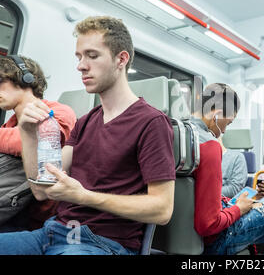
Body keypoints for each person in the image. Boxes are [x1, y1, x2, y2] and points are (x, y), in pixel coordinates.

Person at [0, 16, 176, 255]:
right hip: (53, 232)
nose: (81, 66)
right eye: (79, 57)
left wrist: (83, 196)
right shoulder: (86, 121)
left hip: (101, 242)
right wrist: (28, 134)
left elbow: (162, 209)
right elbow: (42, 190)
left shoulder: (151, 122)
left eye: (92, 56)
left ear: (121, 59)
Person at [191, 83, 264, 255]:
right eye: (227, 123)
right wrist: (238, 209)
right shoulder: (209, 145)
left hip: (191, 234)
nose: (223, 131)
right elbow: (209, 224)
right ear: (217, 114)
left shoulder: (178, 133)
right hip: (215, 239)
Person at [0, 55, 77, 232]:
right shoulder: (9, 124)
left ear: (25, 79)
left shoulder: (58, 112)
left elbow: (37, 144)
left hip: (33, 220)